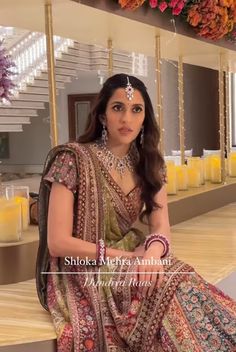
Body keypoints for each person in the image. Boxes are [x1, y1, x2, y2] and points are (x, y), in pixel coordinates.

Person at [36, 73, 236, 352]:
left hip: (132, 254)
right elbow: (57, 243)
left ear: (145, 118)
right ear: (103, 115)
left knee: (182, 279)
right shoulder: (72, 159)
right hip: (79, 265)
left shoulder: (149, 164)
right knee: (160, 289)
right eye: (118, 108)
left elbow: (161, 225)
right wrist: (128, 257)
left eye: (136, 109)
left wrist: (152, 256)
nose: (127, 119)